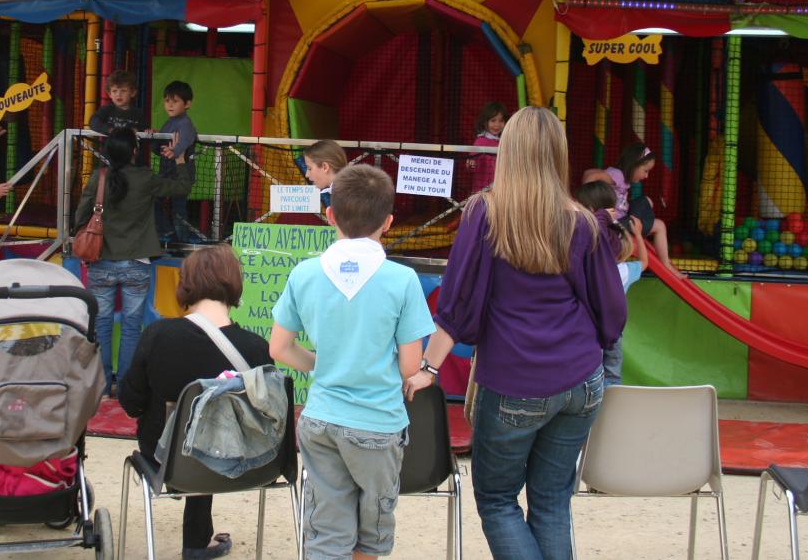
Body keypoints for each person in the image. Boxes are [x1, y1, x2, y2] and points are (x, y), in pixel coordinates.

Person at [405, 106, 626, 560]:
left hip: (512, 382)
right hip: (581, 380)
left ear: (508, 152)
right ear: (557, 155)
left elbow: (458, 305)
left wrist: (429, 367)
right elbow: (611, 312)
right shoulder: (583, 221)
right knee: (550, 504)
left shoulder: (485, 212)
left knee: (498, 501)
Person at [270, 164, 435, 560]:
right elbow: (410, 367)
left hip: (321, 419)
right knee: (370, 537)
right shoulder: (402, 280)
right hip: (377, 424)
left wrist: (321, 365)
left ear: (330, 215)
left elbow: (279, 348)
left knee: (326, 534)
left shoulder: (304, 273)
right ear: (389, 222)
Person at [118, 245, 272, 560]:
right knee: (214, 433)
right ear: (234, 285)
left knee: (191, 435)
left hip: (168, 460)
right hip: (239, 460)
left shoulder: (158, 335)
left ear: (185, 283)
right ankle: (196, 543)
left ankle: (197, 541)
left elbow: (131, 403)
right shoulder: (257, 348)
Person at [73, 127, 194, 395]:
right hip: (137, 264)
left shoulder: (99, 178)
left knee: (101, 325)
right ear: (134, 152)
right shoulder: (145, 178)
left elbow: (80, 216)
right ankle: (126, 387)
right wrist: (181, 159)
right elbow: (182, 187)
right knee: (131, 327)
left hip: (101, 261)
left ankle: (102, 386)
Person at [574, 180, 648, 386]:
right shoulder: (624, 269)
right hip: (613, 330)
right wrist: (639, 236)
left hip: (593, 327)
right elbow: (644, 263)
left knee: (593, 370)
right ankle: (610, 403)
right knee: (612, 372)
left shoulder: (591, 254)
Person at [585, 142, 674, 273]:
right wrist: (587, 203)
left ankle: (665, 261)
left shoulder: (621, 177)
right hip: (617, 226)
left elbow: (589, 172)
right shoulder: (617, 175)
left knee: (647, 201)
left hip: (622, 220)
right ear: (635, 165)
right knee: (660, 225)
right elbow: (590, 176)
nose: (646, 176)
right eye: (645, 171)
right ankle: (666, 265)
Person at [156, 80, 198, 244]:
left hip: (181, 175)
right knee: (154, 201)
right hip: (167, 173)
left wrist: (175, 151)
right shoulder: (168, 123)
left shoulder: (185, 123)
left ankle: (181, 241)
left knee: (178, 209)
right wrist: (152, 136)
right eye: (167, 101)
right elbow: (158, 148)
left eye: (175, 101)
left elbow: (186, 139)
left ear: (187, 104)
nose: (170, 105)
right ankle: (169, 234)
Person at [89, 70, 149, 135]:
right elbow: (93, 121)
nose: (118, 94)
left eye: (123, 91)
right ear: (109, 94)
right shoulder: (106, 110)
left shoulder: (138, 114)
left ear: (133, 93)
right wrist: (109, 129)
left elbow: (144, 130)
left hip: (131, 145)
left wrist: (146, 131)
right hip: (109, 145)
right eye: (114, 91)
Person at [294, 139, 348, 210]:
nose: (307, 174)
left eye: (310, 168)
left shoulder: (350, 199)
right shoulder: (344, 194)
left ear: (325, 167)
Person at [466, 101, 507, 193]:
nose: (497, 125)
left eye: (501, 121)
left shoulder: (504, 142)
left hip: (500, 191)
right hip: (482, 190)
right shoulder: (480, 141)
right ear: (485, 122)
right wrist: (471, 164)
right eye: (493, 120)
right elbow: (471, 165)